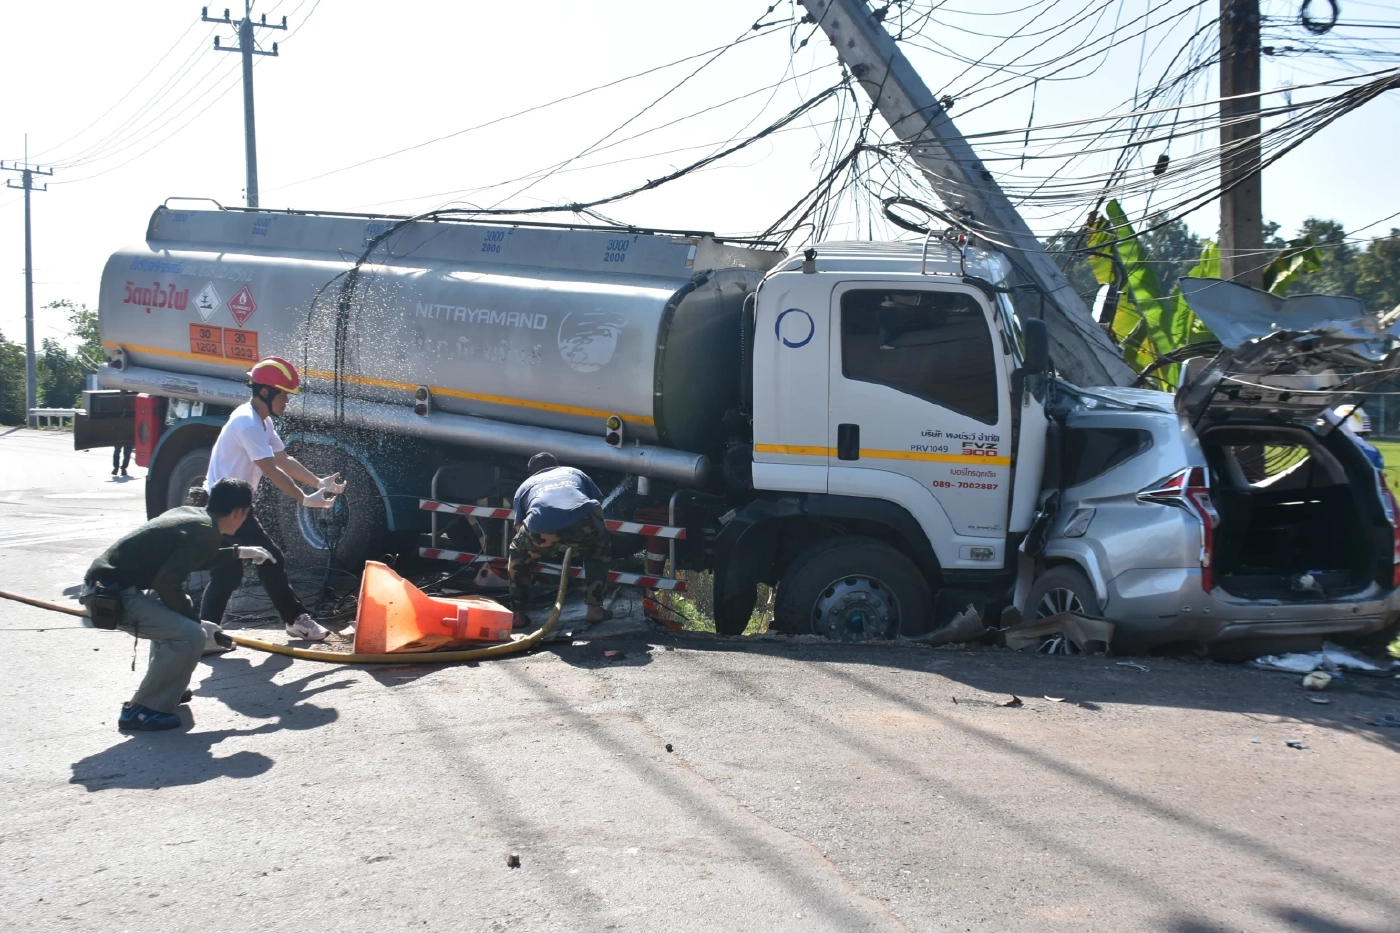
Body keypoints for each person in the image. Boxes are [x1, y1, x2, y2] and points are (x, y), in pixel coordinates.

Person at [81, 479, 275, 731]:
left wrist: (239, 552)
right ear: (240, 512)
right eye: (247, 514)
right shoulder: (205, 532)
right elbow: (167, 583)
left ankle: (170, 687)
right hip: (110, 598)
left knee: (177, 618)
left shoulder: (196, 518)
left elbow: (190, 559)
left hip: (105, 587)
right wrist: (197, 624)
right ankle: (143, 709)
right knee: (189, 634)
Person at [199, 356, 345, 642]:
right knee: (258, 561)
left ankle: (208, 633)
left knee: (235, 569)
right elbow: (271, 469)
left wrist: (318, 482)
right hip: (222, 509)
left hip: (236, 508)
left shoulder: (261, 422)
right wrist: (304, 499)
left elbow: (283, 459)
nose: (288, 401)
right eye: (285, 395)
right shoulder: (248, 423)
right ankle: (293, 620)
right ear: (266, 392)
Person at [508, 452, 611, 629]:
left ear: (532, 473)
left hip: (541, 527)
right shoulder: (574, 472)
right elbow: (595, 503)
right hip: (581, 523)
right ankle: (595, 609)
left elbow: (519, 528)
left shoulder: (525, 486)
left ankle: (518, 615)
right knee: (598, 549)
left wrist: (547, 545)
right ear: (556, 464)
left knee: (518, 554)